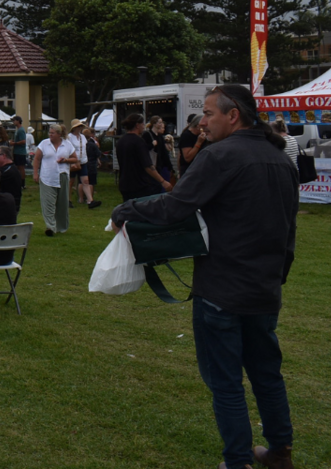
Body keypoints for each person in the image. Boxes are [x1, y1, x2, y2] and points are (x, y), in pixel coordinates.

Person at [111, 85, 298, 469]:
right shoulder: (280, 159)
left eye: (208, 115)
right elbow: (290, 230)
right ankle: (280, 452)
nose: (201, 125)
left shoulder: (220, 156)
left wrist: (126, 210)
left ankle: (237, 461)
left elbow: (175, 206)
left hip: (222, 291)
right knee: (266, 374)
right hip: (264, 288)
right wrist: (277, 276)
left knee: (225, 380)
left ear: (233, 115)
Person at [31, 124, 76, 238]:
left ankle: (61, 226)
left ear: (59, 134)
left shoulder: (67, 144)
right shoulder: (44, 144)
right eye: (49, 133)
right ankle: (50, 227)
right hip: (47, 176)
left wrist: (66, 160)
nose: (50, 135)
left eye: (53, 133)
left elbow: (75, 159)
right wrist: (35, 173)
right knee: (48, 202)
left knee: (62, 203)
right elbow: (37, 159)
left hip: (62, 176)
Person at [116, 113, 173, 202]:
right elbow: (148, 166)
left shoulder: (121, 141)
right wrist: (163, 181)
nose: (144, 126)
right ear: (137, 125)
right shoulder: (139, 141)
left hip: (124, 183)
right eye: (143, 124)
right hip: (139, 184)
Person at [0, 146, 26, 213]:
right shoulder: (11, 169)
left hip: (5, 208)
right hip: (8, 206)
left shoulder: (7, 171)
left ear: (4, 156)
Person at [65, 119, 87, 204]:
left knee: (85, 181)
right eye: (78, 126)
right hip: (73, 162)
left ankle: (89, 200)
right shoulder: (69, 137)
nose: (79, 128)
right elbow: (68, 150)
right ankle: (68, 199)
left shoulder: (83, 137)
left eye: (80, 126)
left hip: (83, 161)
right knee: (71, 181)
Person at [81, 127, 102, 209]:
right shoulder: (93, 144)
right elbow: (98, 153)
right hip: (92, 164)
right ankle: (90, 199)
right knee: (91, 182)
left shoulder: (82, 144)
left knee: (81, 182)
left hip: (84, 163)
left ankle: (81, 198)